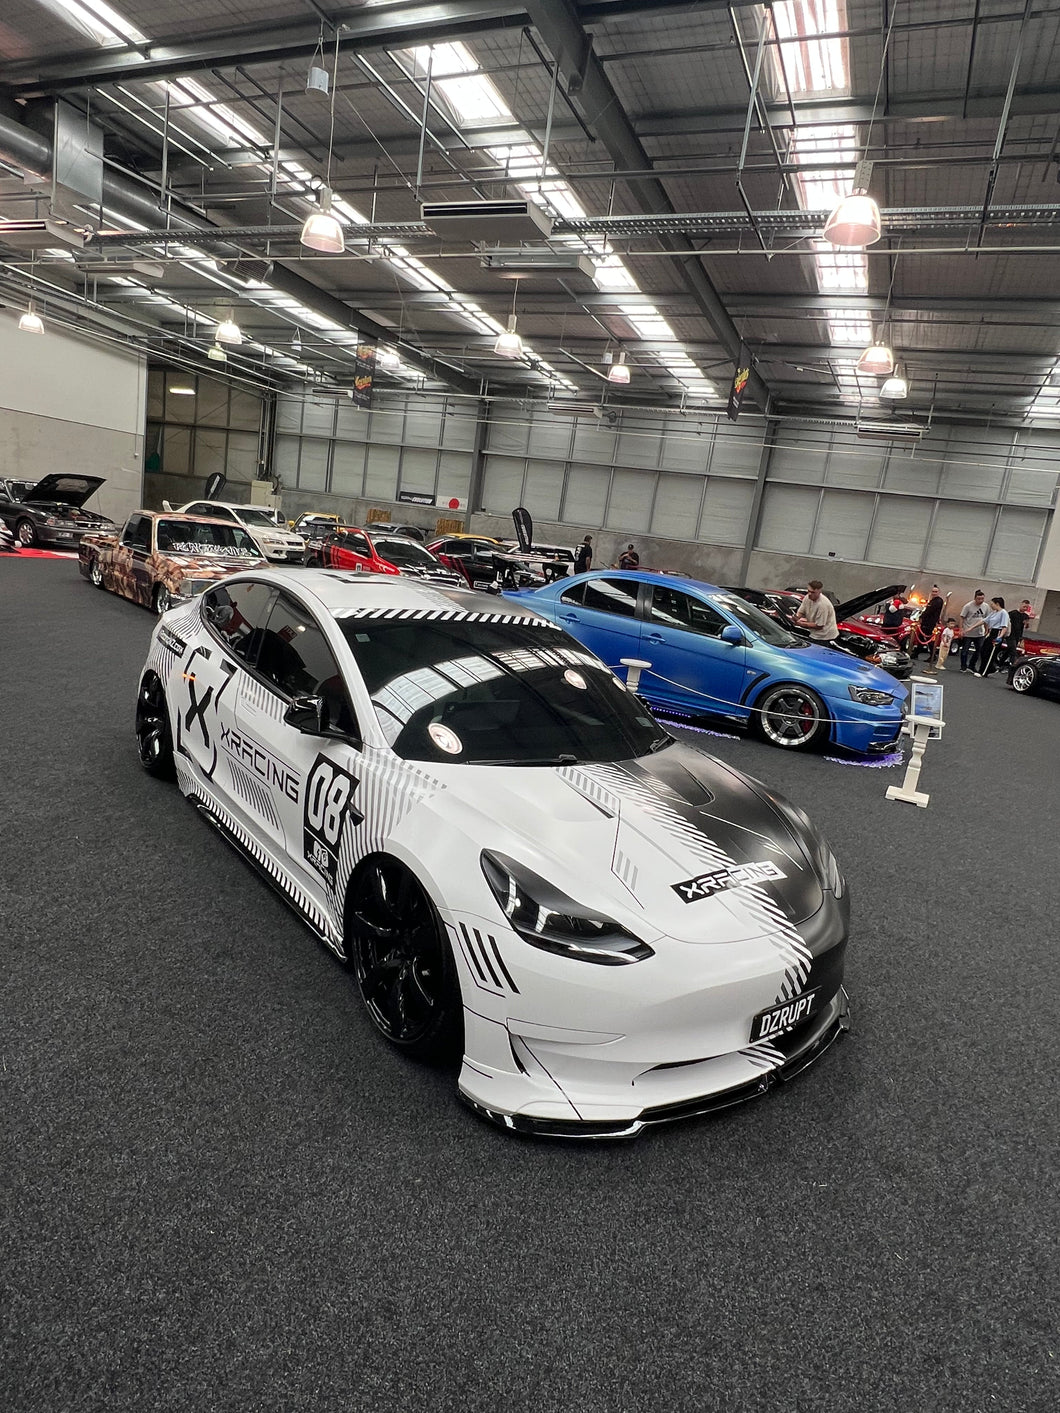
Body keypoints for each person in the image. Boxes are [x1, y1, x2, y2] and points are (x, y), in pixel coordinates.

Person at [909, 585, 947, 660]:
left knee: (928, 638)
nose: (934, 593)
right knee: (921, 638)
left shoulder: (938, 601)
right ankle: (916, 653)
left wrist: (921, 617)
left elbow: (929, 611)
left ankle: (932, 655)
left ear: (938, 592)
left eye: (935, 592)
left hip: (930, 623)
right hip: (926, 622)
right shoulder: (932, 600)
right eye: (933, 591)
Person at [958, 590, 989, 672]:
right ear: (975, 598)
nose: (981, 601)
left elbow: (986, 619)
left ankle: (972, 665)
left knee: (979, 650)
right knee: (965, 650)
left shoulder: (986, 606)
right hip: (968, 631)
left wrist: (986, 629)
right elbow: (962, 617)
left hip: (979, 632)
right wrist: (961, 629)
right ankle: (963, 666)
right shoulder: (968, 606)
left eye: (982, 599)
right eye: (979, 599)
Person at [977, 596, 1009, 677]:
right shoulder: (994, 612)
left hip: (997, 633)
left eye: (992, 604)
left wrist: (1000, 637)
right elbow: (984, 620)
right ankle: (991, 668)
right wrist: (971, 628)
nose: (991, 606)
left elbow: (1004, 627)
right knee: (983, 650)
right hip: (991, 632)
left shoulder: (1003, 613)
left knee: (989, 653)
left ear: (997, 604)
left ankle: (983, 672)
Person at [998, 600, 1030, 673]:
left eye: (1026, 607)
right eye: (1024, 606)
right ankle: (1014, 668)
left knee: (1009, 650)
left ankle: (1000, 664)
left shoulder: (1025, 616)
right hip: (1010, 634)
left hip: (1017, 635)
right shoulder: (1012, 613)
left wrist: (1027, 624)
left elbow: (1026, 627)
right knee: (1013, 651)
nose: (1025, 608)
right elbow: (1006, 622)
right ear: (1021, 605)